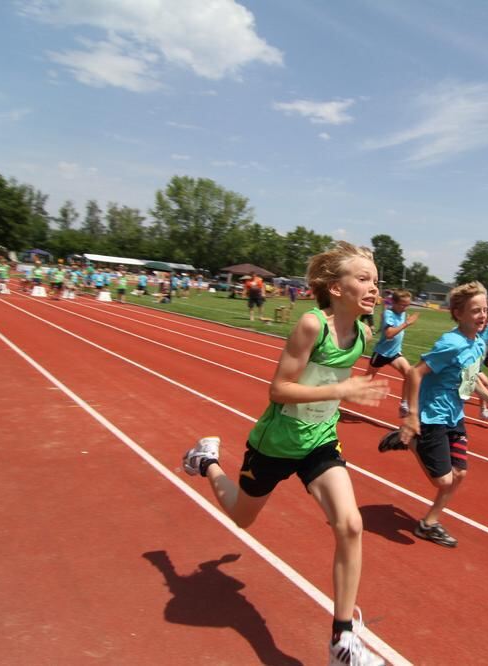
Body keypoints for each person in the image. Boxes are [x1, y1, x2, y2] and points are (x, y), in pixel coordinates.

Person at [181, 241, 389, 666]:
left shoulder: (364, 333)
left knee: (350, 525)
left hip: (319, 440)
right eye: (364, 279)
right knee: (242, 517)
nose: (374, 288)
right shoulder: (312, 325)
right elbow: (278, 390)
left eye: (376, 281)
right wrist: (342, 390)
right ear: (335, 287)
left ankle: (342, 638)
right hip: (275, 444)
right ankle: (207, 461)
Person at [380, 281, 488, 548]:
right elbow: (416, 373)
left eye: (485, 310)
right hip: (432, 416)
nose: (483, 315)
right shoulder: (450, 343)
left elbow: (469, 375)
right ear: (458, 313)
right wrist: (412, 415)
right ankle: (413, 440)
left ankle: (427, 524)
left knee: (459, 475)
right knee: (443, 480)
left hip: (454, 416)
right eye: (476, 311)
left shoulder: (478, 342)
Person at [365, 288, 419, 417]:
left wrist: (405, 321)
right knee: (366, 379)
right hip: (381, 353)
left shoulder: (403, 313)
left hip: (395, 354)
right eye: (403, 305)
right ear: (394, 303)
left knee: (410, 374)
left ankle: (404, 404)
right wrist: (406, 323)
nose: (405, 308)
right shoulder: (389, 314)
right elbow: (389, 334)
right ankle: (343, 393)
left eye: (408, 305)